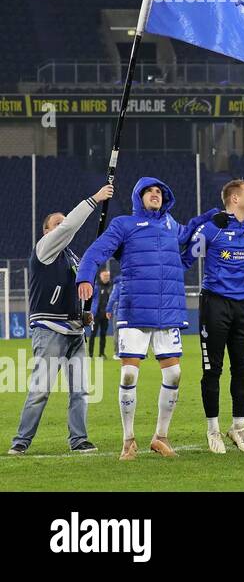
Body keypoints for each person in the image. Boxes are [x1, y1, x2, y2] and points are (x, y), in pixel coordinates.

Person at [75, 178, 188, 461]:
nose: (155, 194)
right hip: (134, 308)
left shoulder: (173, 226)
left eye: (160, 191)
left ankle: (160, 437)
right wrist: (85, 278)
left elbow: (198, 236)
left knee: (174, 374)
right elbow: (94, 252)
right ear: (139, 197)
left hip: (166, 310)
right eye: (149, 191)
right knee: (128, 373)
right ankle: (128, 440)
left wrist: (216, 219)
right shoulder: (123, 225)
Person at [8, 184, 112, 456]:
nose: (63, 225)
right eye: (57, 223)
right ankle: (21, 441)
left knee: (80, 390)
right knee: (40, 390)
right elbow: (69, 229)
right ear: (46, 231)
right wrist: (94, 199)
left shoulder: (71, 257)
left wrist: (83, 313)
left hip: (75, 332)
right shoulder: (44, 249)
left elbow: (73, 292)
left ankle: (79, 440)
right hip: (50, 330)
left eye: (64, 221)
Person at [181, 179, 244, 454]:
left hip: (242, 307)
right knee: (212, 370)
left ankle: (238, 428)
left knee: (243, 368)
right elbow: (186, 259)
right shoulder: (213, 228)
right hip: (214, 304)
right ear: (234, 199)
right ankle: (213, 430)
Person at [91, 267, 114, 358]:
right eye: (105, 276)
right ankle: (91, 354)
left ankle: (101, 353)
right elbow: (91, 300)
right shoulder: (96, 286)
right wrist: (91, 311)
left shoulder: (111, 287)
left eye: (108, 276)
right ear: (101, 276)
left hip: (105, 315)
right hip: (96, 314)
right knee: (93, 334)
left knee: (103, 335)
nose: (106, 277)